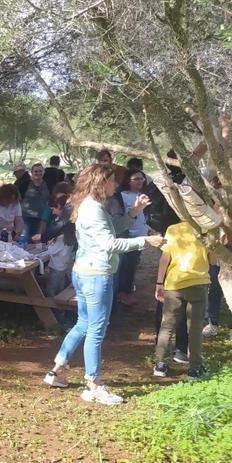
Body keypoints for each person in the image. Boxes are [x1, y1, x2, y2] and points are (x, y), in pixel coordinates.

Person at [43, 164, 163, 405]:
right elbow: (109, 244)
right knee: (96, 331)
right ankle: (93, 385)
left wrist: (133, 211)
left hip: (84, 272)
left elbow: (112, 228)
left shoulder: (91, 205)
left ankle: (56, 372)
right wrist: (146, 240)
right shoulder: (93, 209)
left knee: (83, 324)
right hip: (97, 276)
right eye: (111, 180)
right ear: (100, 182)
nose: (115, 185)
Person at [153, 222, 210, 380]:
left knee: (167, 325)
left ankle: (160, 365)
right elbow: (212, 260)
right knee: (195, 328)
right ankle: (195, 368)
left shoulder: (173, 229)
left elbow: (165, 257)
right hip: (198, 283)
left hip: (174, 284)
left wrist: (159, 282)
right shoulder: (206, 229)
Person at [109, 168, 150, 307]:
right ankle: (121, 294)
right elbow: (120, 217)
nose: (140, 181)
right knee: (123, 265)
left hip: (141, 234)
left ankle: (127, 291)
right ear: (128, 181)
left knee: (133, 265)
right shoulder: (121, 196)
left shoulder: (145, 194)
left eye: (142, 178)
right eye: (136, 179)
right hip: (127, 236)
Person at [40, 193, 75, 297]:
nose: (53, 211)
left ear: (59, 207)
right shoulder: (69, 232)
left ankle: (54, 309)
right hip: (63, 266)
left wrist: (47, 246)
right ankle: (60, 311)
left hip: (57, 267)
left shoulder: (62, 236)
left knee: (52, 288)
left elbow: (53, 250)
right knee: (61, 286)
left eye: (53, 208)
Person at [16, 163, 51, 244]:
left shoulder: (48, 184)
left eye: (40, 171)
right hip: (26, 217)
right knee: (25, 240)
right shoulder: (25, 184)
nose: (38, 173)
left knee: (38, 242)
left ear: (43, 172)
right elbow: (18, 197)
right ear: (31, 172)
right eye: (35, 171)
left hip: (42, 218)